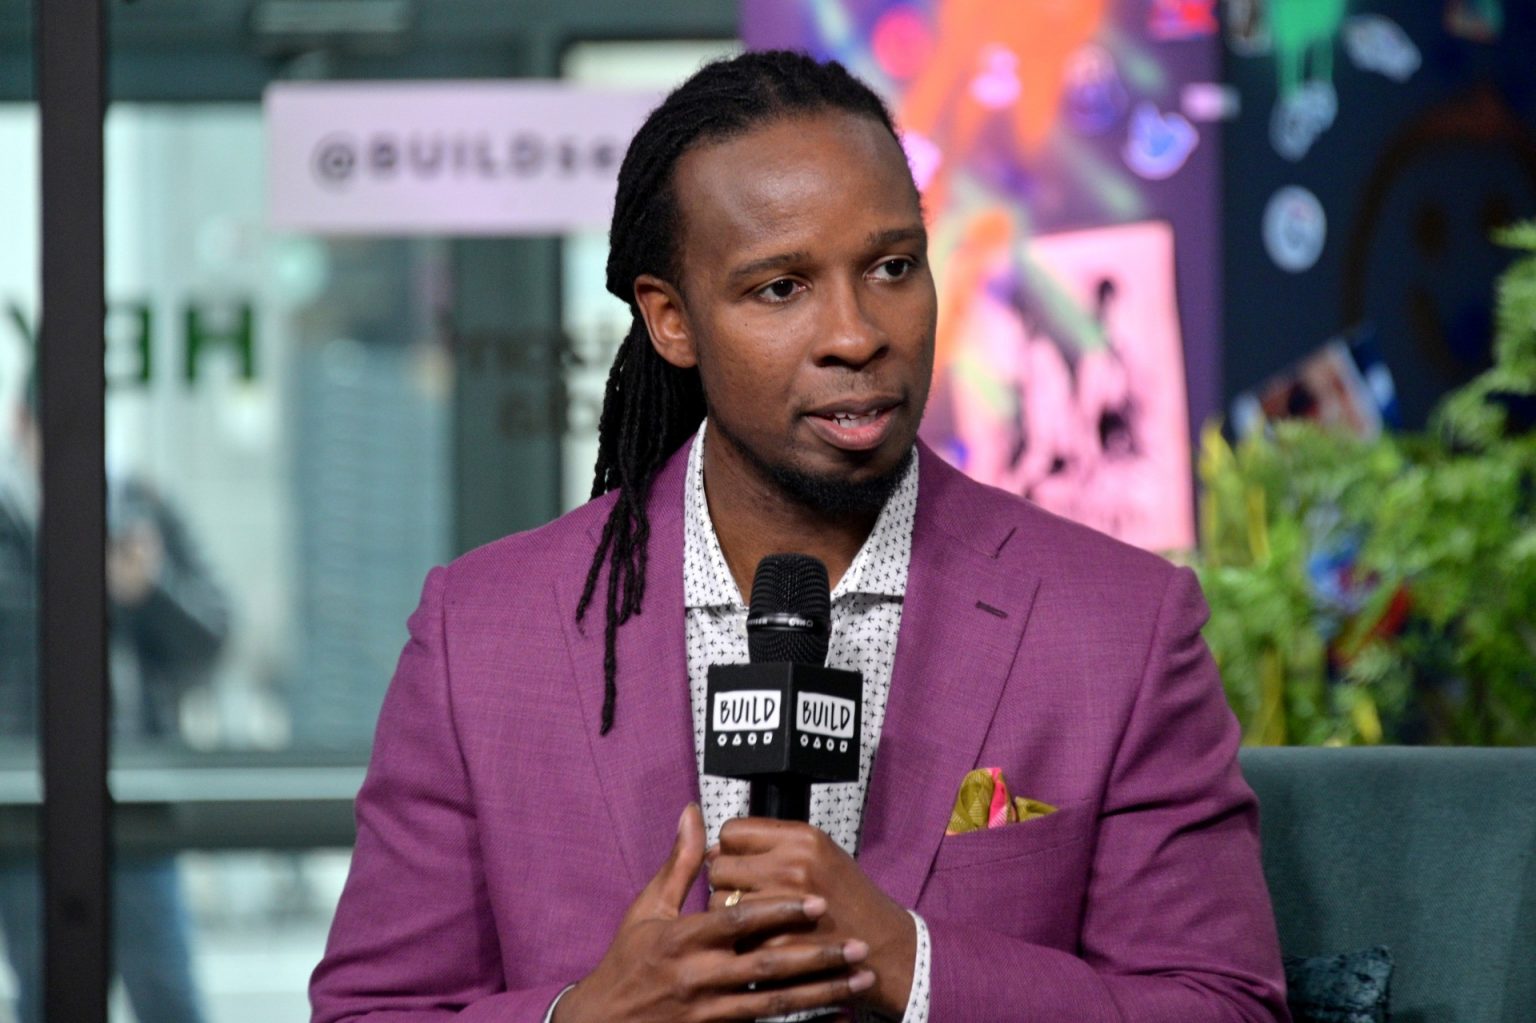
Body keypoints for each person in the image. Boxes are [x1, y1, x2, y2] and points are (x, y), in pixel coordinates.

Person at [311, 51, 1289, 1022]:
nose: (857, 334)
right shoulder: (483, 637)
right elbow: (370, 1013)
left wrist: (914, 965)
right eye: (781, 287)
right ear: (671, 320)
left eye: (892, 267)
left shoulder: (1119, 628)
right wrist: (583, 1019)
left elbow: (1226, 1007)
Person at [0, 372, 228, 1023]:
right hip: (28, 800)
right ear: (23, 426)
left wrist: (147, 591)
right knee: (51, 992)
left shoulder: (141, 507)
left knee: (169, 994)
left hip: (136, 795)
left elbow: (213, 634)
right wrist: (74, 569)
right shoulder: (8, 521)